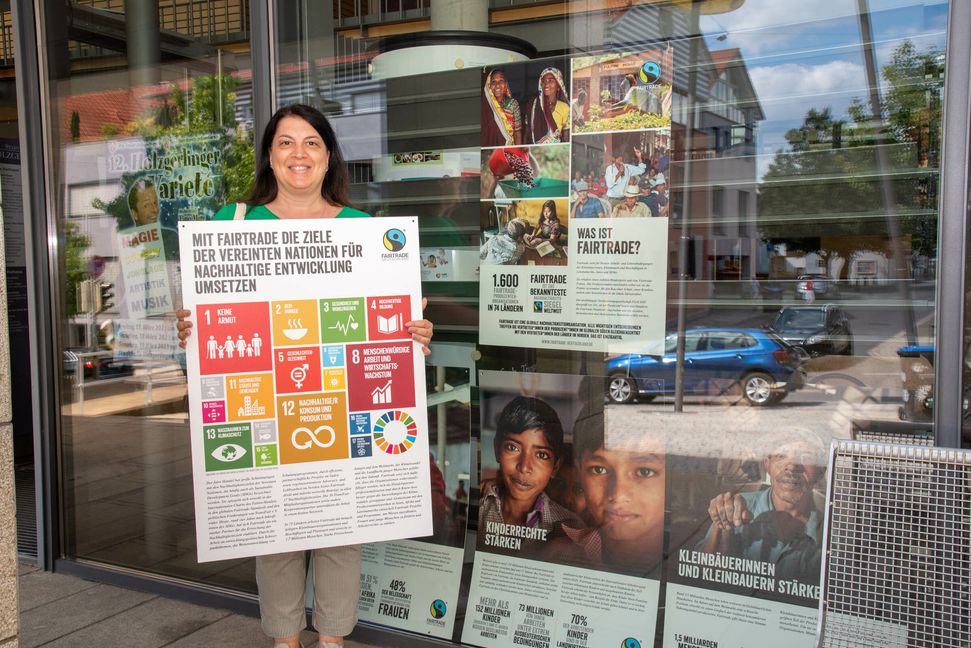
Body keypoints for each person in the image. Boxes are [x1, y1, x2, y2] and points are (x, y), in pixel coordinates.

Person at [176, 104, 434, 648]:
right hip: (266, 395)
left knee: (343, 528)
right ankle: (285, 640)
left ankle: (333, 640)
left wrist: (413, 334)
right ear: (269, 155)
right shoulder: (233, 223)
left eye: (311, 142)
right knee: (276, 530)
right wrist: (190, 328)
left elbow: (383, 327)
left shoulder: (364, 232)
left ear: (328, 156)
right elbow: (210, 318)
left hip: (338, 397)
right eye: (286, 142)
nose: (299, 153)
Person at [543, 410, 665, 576]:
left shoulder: (694, 554)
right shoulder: (556, 557)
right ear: (580, 473)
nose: (617, 494)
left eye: (644, 471)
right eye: (599, 469)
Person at [697, 439, 825, 583]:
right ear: (767, 464)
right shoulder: (735, 508)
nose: (792, 466)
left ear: (821, 471)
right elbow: (700, 574)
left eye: (806, 457)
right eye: (781, 456)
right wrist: (720, 527)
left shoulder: (833, 530)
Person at [478, 396, 578, 556]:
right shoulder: (477, 506)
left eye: (541, 455)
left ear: (555, 467)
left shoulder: (571, 529)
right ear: (497, 449)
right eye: (513, 447)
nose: (524, 467)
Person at [524, 66, 570, 144]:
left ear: (558, 85)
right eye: (544, 81)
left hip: (557, 152)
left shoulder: (565, 108)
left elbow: (566, 138)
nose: (546, 84)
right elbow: (527, 132)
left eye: (550, 80)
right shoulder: (533, 105)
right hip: (536, 151)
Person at [482, 69, 521, 147]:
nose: (497, 85)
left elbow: (517, 133)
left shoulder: (513, 104)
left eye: (501, 81)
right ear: (489, 85)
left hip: (509, 149)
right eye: (493, 82)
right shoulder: (484, 106)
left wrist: (517, 152)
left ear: (505, 84)